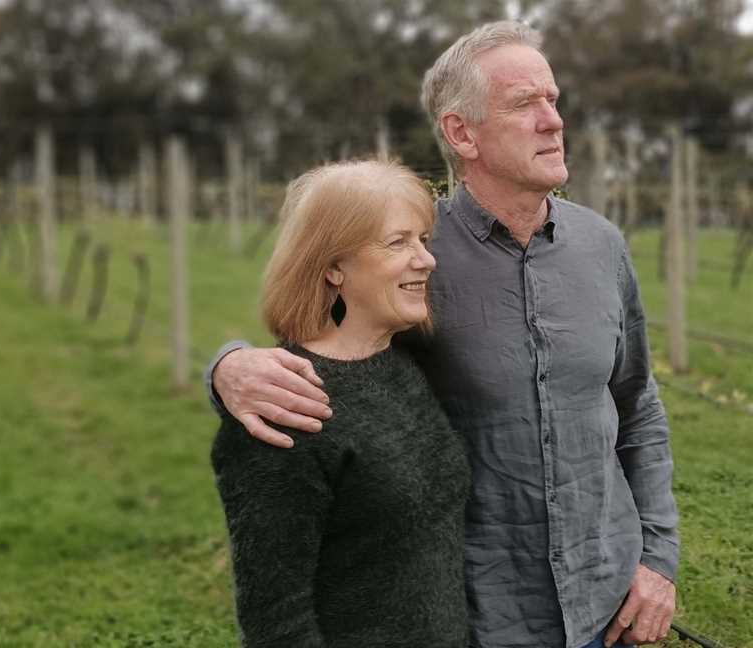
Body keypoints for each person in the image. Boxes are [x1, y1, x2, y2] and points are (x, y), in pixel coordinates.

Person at [207, 21, 679, 648]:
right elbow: (332, 350)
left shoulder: (603, 246)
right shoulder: (414, 262)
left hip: (609, 603)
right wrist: (227, 368)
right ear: (462, 132)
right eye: (524, 104)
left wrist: (658, 559)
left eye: (553, 99)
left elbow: (637, 404)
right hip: (483, 617)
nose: (553, 121)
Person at [211, 160, 472, 648]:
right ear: (333, 266)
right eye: (398, 243)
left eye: (423, 240)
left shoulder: (403, 362)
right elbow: (277, 624)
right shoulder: (287, 407)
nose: (426, 259)